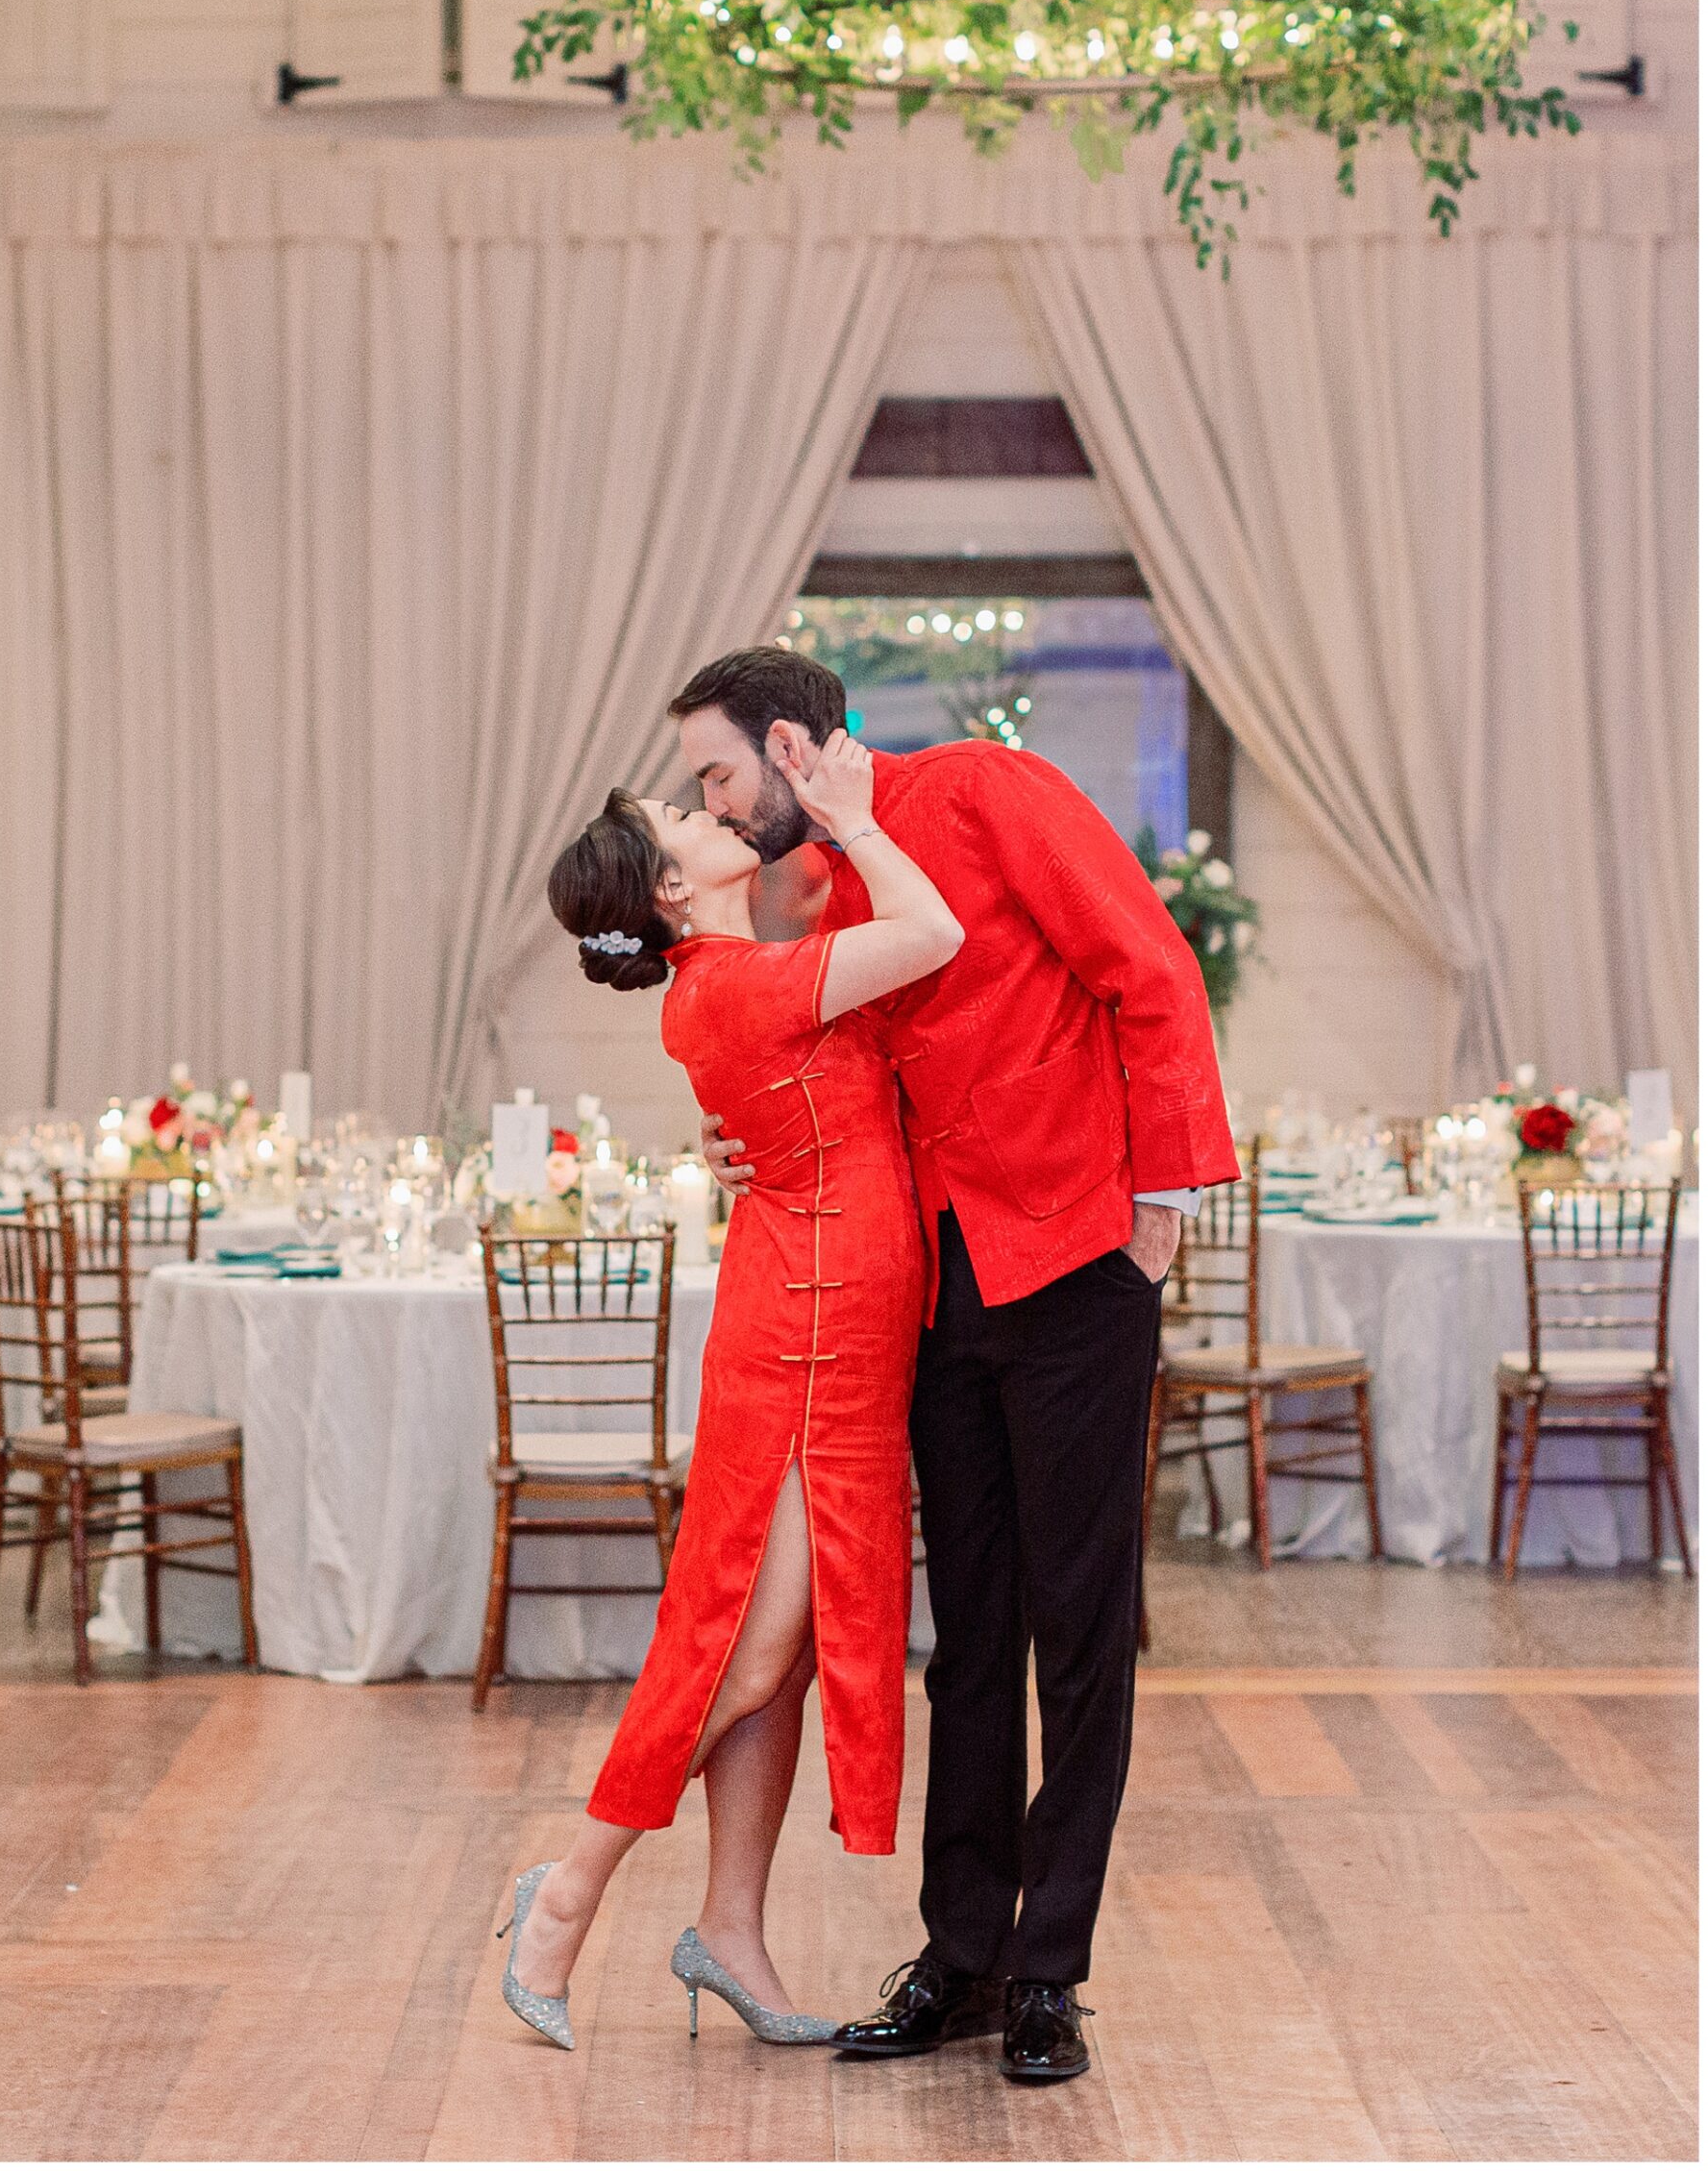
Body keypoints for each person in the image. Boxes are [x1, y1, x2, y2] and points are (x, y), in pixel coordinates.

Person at [674, 647, 1237, 2085]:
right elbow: (816, 1067)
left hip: (1074, 1262)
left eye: (719, 776)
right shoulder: (827, 881)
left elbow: (1151, 971)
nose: (716, 810)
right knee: (968, 1630)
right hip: (928, 1290)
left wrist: (1156, 1212)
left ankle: (1051, 1966)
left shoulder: (987, 791)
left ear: (792, 746)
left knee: (1079, 1624)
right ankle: (963, 1956)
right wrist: (728, 1141)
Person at [498, 732, 963, 2052]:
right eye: (679, 814)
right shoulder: (738, 985)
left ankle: (732, 1934)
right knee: (746, 1642)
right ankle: (570, 1889)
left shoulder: (741, 978)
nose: (708, 811)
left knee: (786, 1647)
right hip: (804, 1335)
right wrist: (851, 814)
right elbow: (931, 929)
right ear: (668, 887)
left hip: (838, 1322)